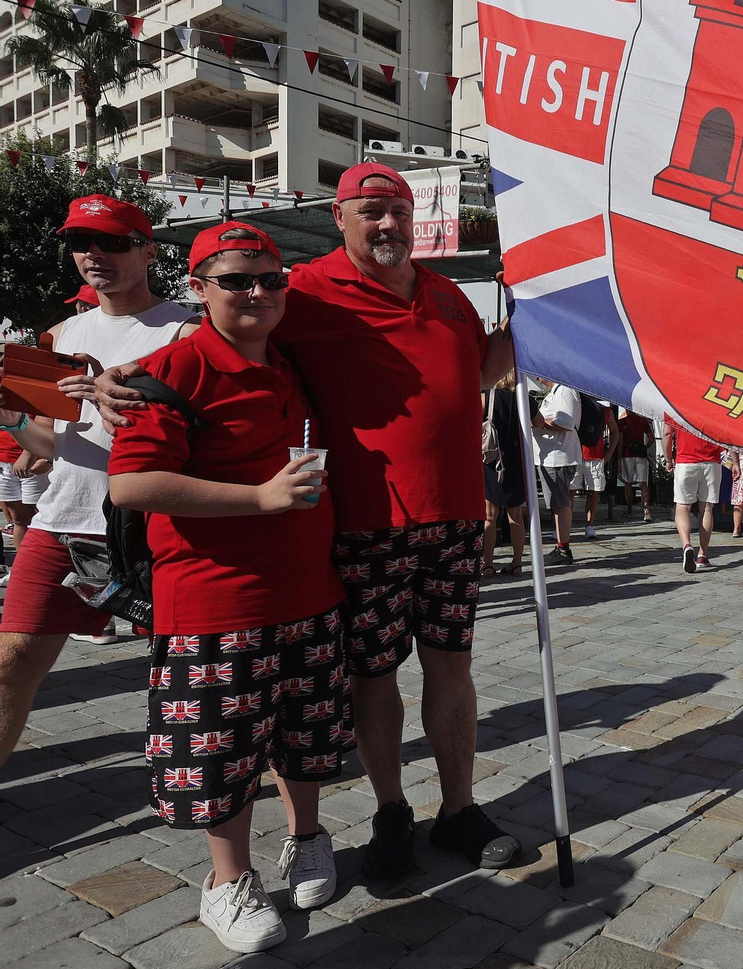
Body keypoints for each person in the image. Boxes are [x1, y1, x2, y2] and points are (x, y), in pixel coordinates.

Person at [97, 164, 521, 876]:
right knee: (374, 674)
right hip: (362, 525)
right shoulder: (306, 291)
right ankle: (391, 812)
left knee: (454, 667)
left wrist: (545, 317)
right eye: (371, 210)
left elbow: (478, 372)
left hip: (452, 520)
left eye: (398, 210)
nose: (387, 224)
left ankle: (458, 810)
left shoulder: (448, 295)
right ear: (340, 217)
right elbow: (217, 332)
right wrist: (125, 377)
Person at [108, 223, 346, 953]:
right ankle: (227, 881)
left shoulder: (287, 361)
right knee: (222, 752)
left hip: (309, 590)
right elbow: (131, 484)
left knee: (304, 739)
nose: (257, 293)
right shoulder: (172, 368)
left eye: (271, 280)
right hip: (214, 598)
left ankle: (307, 839)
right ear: (198, 288)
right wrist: (261, 500)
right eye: (237, 279)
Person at [0, 196, 194, 767]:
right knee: (11, 661)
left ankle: (203, 786)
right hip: (62, 521)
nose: (94, 255)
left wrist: (115, 403)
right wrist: (11, 418)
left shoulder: (182, 329)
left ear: (148, 250)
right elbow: (50, 444)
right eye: (81, 243)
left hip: (149, 530)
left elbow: (194, 438)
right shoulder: (59, 335)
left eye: (113, 242)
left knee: (178, 671)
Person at [530, 379, 581, 567]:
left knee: (560, 503)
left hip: (558, 456)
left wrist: (540, 424)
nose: (537, 379)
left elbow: (566, 422)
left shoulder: (565, 390)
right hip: (553, 455)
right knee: (558, 503)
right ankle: (561, 546)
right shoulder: (559, 391)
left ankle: (563, 549)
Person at [482, 372, 526, 578]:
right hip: (516, 462)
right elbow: (539, 421)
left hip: (492, 462)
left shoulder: (486, 397)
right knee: (515, 516)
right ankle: (517, 563)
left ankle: (488, 565)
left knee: (490, 517)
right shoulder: (524, 400)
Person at [665, 417, 720, 573]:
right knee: (707, 509)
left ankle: (687, 545)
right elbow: (727, 433)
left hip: (685, 461)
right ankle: (702, 555)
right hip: (712, 462)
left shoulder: (672, 403)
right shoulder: (713, 401)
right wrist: (734, 461)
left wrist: (668, 459)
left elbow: (667, 433)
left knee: (683, 508)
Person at [0, 430, 48, 583]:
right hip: (3, 460)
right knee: (19, 519)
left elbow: (45, 424)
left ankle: (46, 568)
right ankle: (21, 570)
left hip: (34, 459)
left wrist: (38, 455)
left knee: (43, 516)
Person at [571, 404, 619, 540]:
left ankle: (589, 526)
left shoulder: (605, 411)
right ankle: (565, 526)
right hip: (575, 455)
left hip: (595, 457)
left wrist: (609, 453)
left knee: (593, 492)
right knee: (569, 492)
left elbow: (614, 430)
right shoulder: (576, 405)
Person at [618, 409, 654, 522]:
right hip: (640, 455)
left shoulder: (622, 422)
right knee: (643, 483)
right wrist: (644, 448)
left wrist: (619, 457)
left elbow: (620, 441)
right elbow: (651, 439)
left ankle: (629, 509)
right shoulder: (643, 421)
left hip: (627, 454)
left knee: (628, 483)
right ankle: (646, 510)